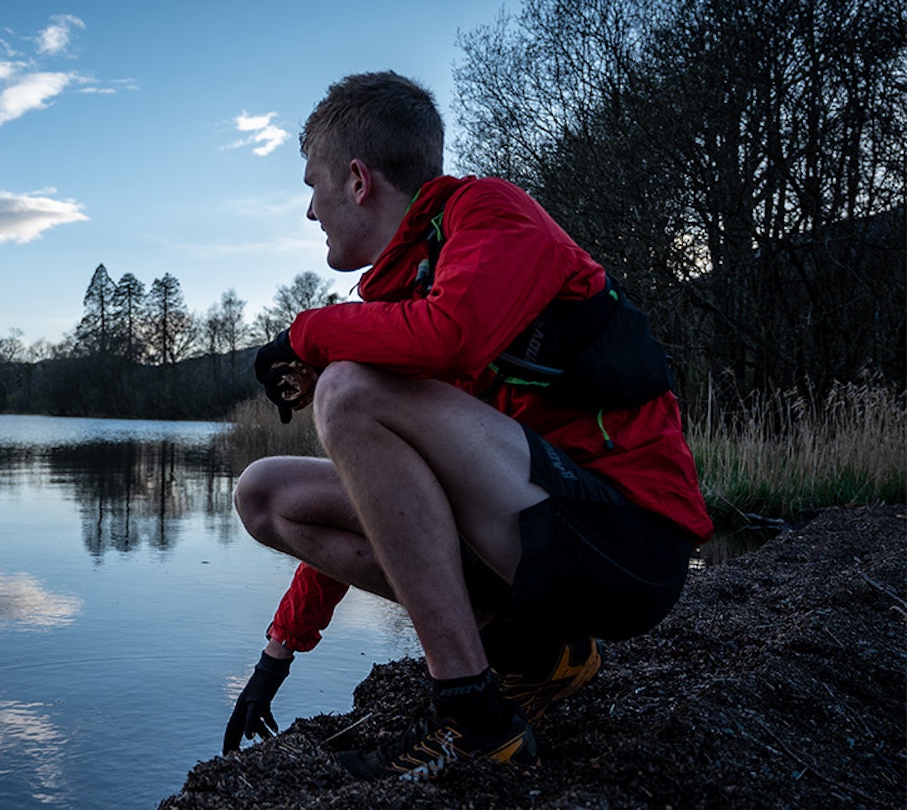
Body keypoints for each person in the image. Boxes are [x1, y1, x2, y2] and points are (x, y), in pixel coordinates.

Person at [221, 71, 714, 782]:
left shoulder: (490, 215)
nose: (309, 211)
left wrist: (305, 335)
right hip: (530, 537)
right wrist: (281, 648)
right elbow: (385, 504)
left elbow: (450, 336)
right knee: (264, 493)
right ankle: (539, 660)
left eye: (312, 185)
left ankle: (472, 709)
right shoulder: (407, 299)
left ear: (358, 181)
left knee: (346, 388)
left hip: (626, 546)